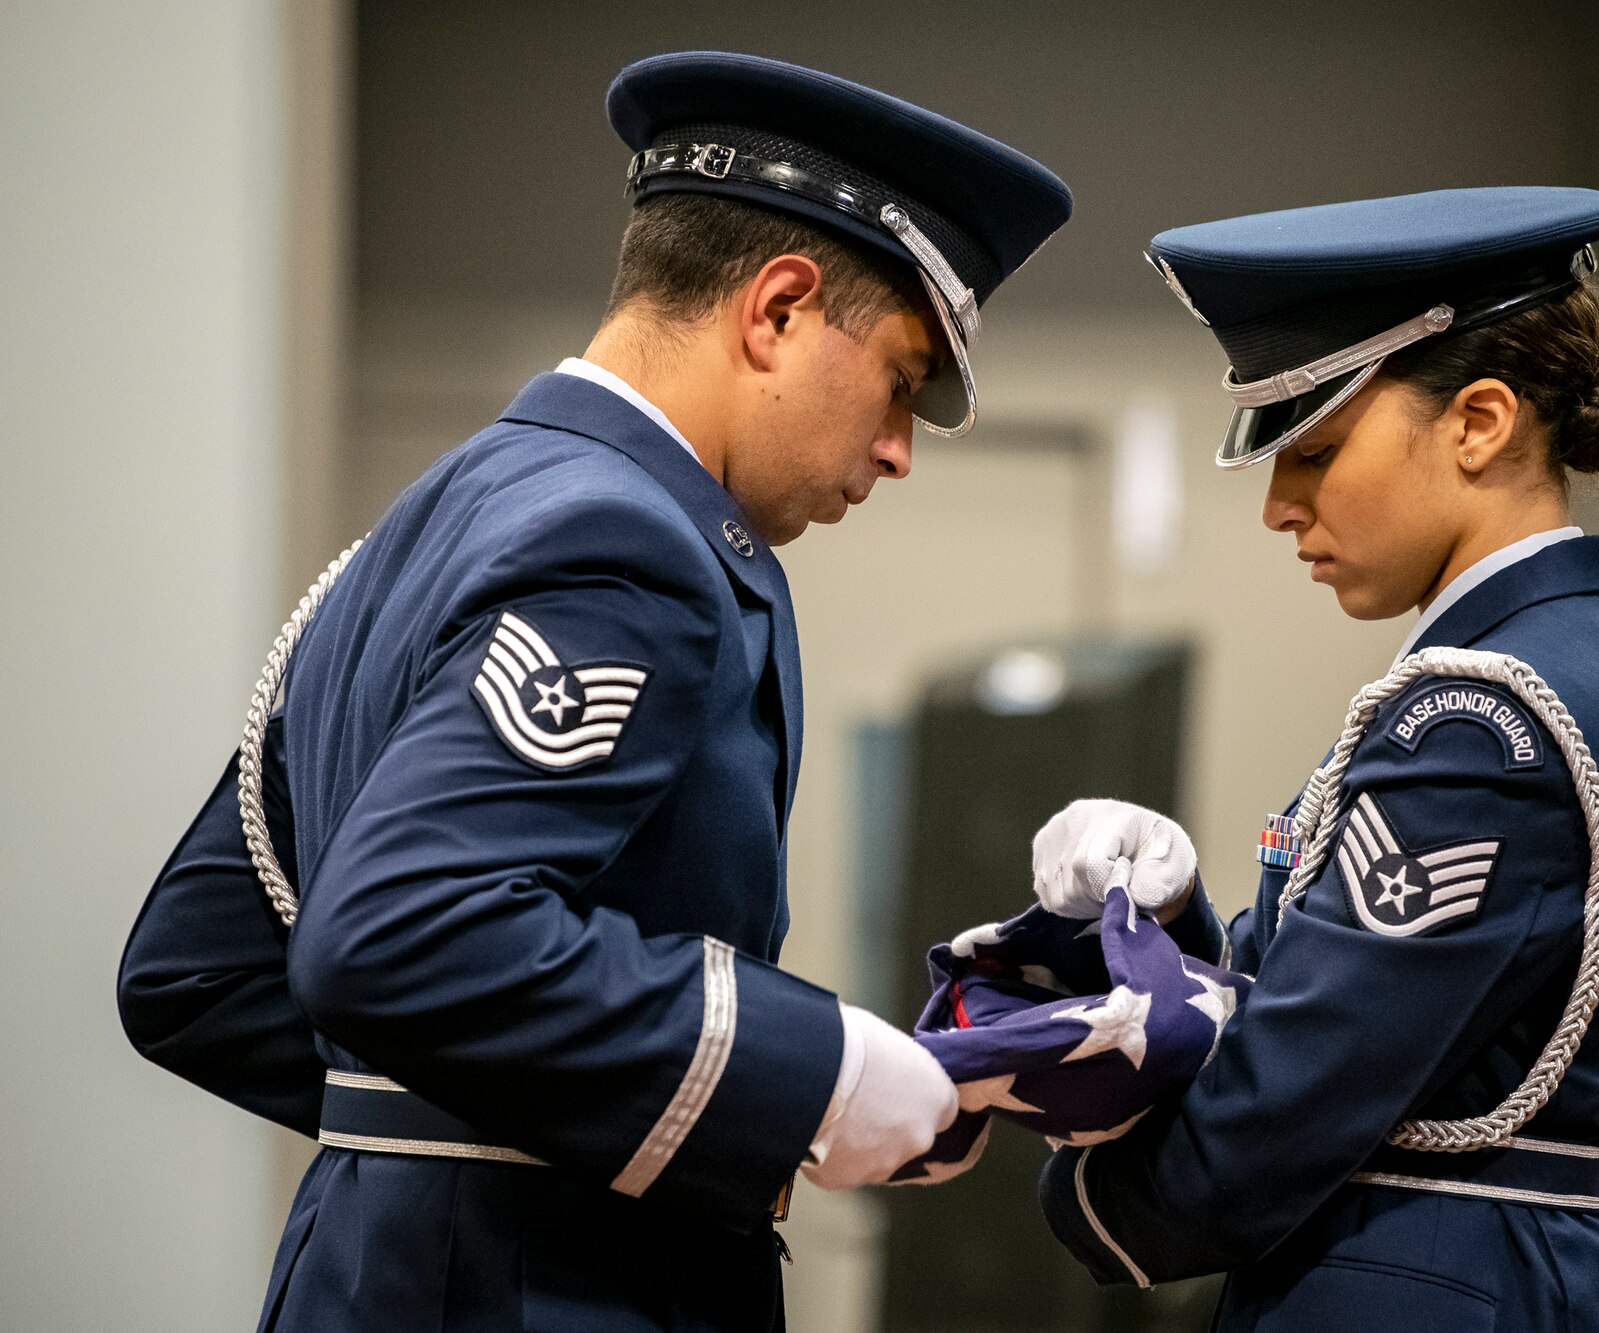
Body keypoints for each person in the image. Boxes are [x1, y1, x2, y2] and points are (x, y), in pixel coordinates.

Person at [116, 51, 1070, 1332]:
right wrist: (810, 1076)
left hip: (370, 1273)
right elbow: (400, 932)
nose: (897, 449)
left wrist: (464, 1125)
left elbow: (198, 972)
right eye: (900, 381)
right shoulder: (626, 544)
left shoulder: (441, 514)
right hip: (552, 1290)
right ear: (777, 309)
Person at [1028, 187, 1599, 1331]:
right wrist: (1178, 915)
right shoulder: (1543, 662)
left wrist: (1085, 1198)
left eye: (1318, 448)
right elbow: (1343, 1000)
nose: (1278, 507)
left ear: (1478, 423)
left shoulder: (1485, 717)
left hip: (1422, 1282)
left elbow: (1288, 1093)